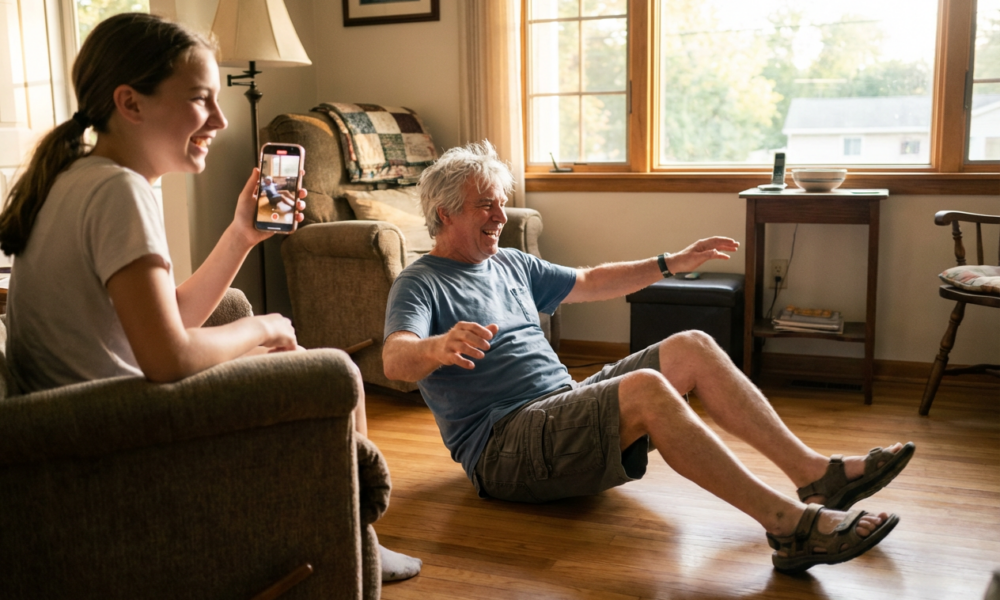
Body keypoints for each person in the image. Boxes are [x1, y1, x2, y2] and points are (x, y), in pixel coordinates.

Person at [0, 12, 419, 582]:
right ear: (130, 102)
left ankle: (349, 531)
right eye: (201, 99)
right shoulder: (119, 191)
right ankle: (354, 534)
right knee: (335, 372)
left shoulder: (77, 177)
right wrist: (265, 325)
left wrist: (241, 234)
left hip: (85, 417)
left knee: (287, 355)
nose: (220, 120)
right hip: (111, 435)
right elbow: (168, 357)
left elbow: (164, 319)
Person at [381, 140, 915, 574]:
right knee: (647, 390)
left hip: (560, 408)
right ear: (445, 213)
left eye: (501, 201)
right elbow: (394, 360)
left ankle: (818, 475)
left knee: (692, 345)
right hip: (504, 449)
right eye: (486, 205)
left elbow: (591, 281)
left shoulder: (511, 263)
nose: (501, 215)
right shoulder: (421, 283)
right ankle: (788, 525)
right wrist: (436, 346)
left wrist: (670, 262)